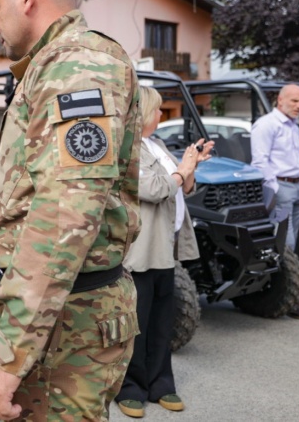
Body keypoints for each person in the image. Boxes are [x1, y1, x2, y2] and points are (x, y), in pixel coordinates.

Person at [0, 0, 143, 421]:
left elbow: (66, 215)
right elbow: (25, 200)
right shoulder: (53, 66)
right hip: (55, 318)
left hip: (66, 326)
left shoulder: (76, 67)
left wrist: (8, 351)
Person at [115, 87, 213, 419]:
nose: (162, 116)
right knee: (138, 322)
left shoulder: (155, 146)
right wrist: (183, 168)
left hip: (164, 248)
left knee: (160, 319)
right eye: (158, 110)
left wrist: (192, 165)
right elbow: (156, 189)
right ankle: (129, 388)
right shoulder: (126, 149)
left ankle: (160, 383)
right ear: (143, 113)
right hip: (141, 251)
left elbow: (183, 185)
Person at [250, 83, 299, 321]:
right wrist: (275, 189)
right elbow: (260, 161)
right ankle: (289, 298)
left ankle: (291, 289)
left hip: (297, 186)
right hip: (282, 187)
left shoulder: (293, 126)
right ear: (280, 100)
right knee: (283, 244)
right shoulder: (267, 125)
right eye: (295, 101)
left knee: (292, 242)